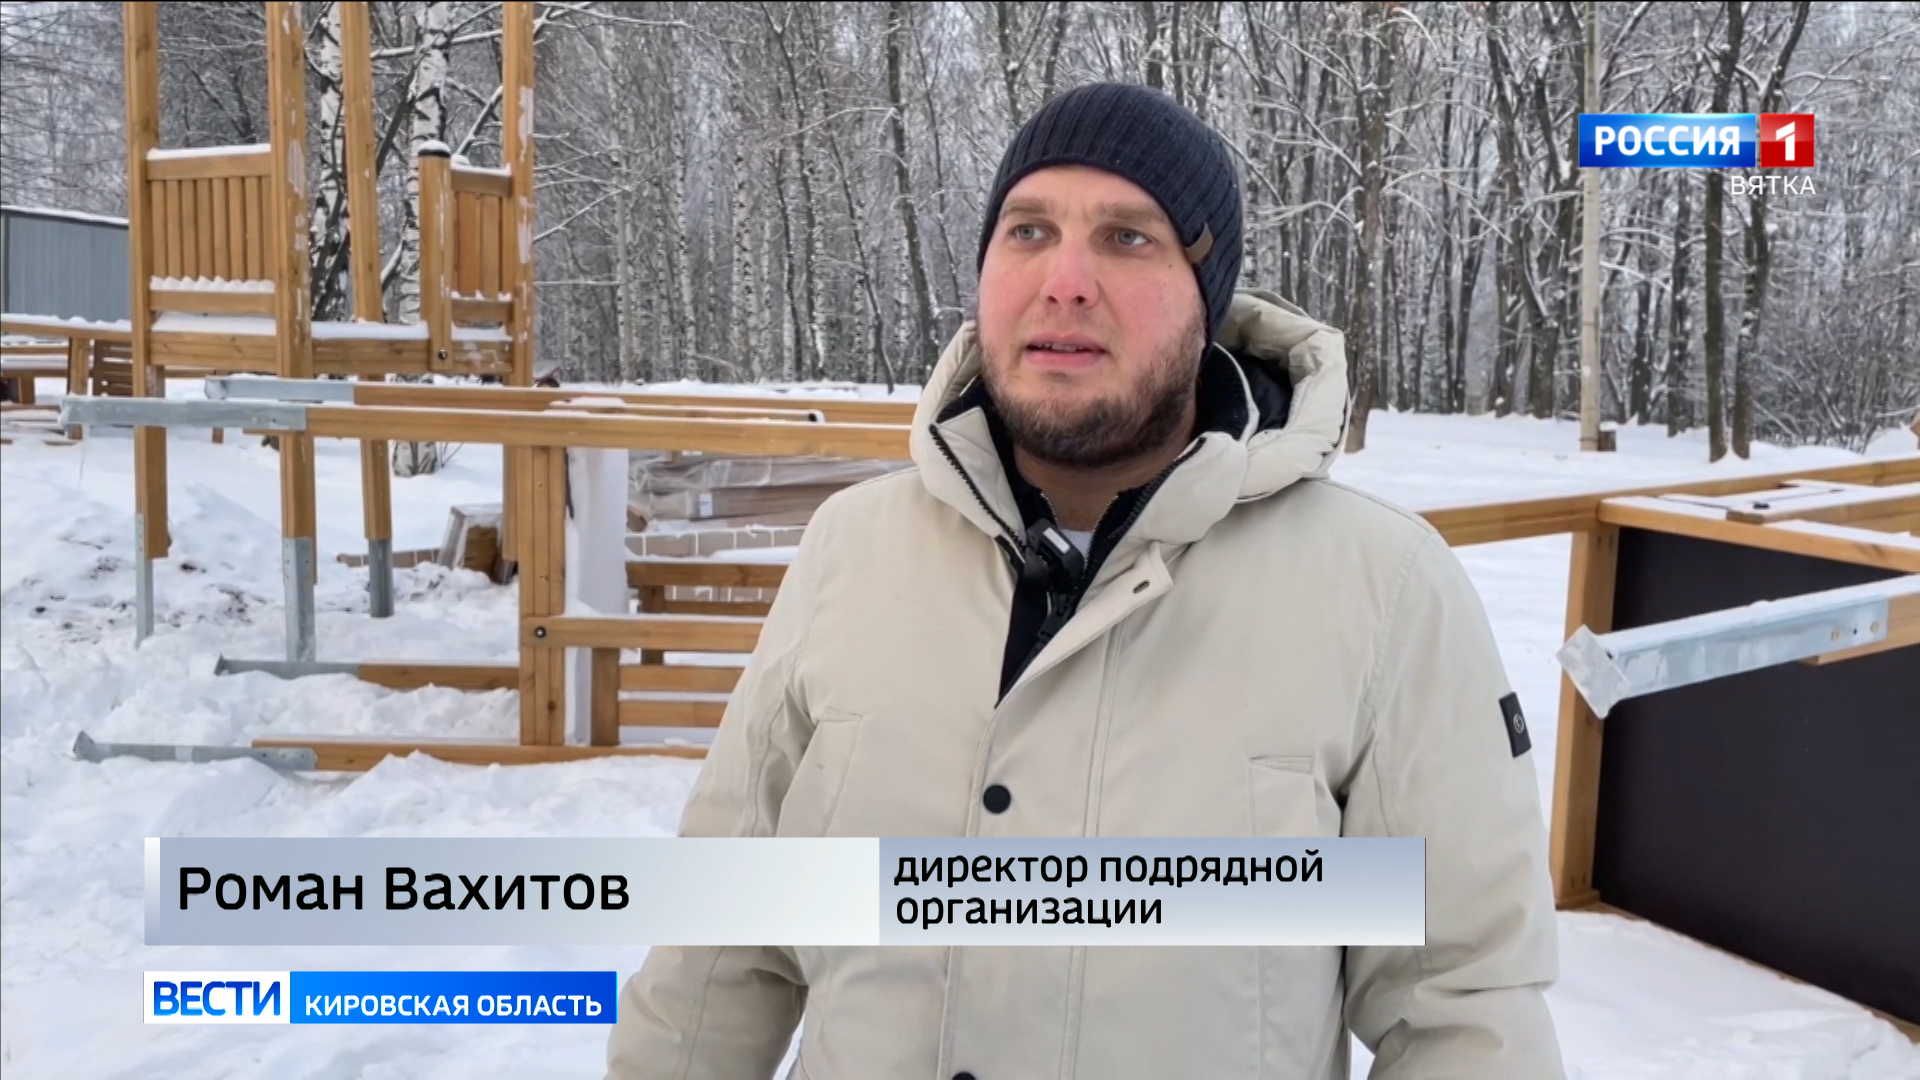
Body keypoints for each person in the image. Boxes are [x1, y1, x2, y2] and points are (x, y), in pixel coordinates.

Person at [607, 81, 1565, 1080]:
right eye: (1028, 231)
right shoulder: (853, 549)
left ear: (1207, 297)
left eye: (1127, 238)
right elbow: (716, 952)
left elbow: (1465, 1012)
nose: (1064, 281)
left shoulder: (1383, 588)